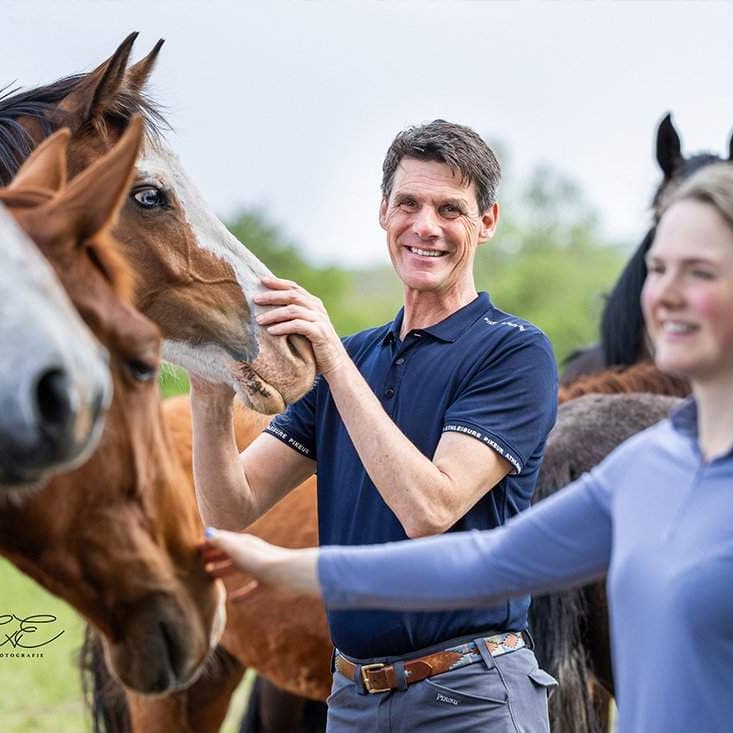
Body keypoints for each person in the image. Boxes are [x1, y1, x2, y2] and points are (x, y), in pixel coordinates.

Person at [200, 164, 733, 732]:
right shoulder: (648, 463)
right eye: (658, 268)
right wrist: (279, 564)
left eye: (699, 271)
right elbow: (484, 561)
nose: (663, 293)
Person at [190, 120, 560, 731]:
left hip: (471, 697)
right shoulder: (357, 359)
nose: (425, 227)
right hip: (354, 699)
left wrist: (331, 358)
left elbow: (430, 508)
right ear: (384, 211)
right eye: (409, 204)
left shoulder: (514, 353)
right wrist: (209, 387)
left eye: (451, 209)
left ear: (486, 223)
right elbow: (231, 507)